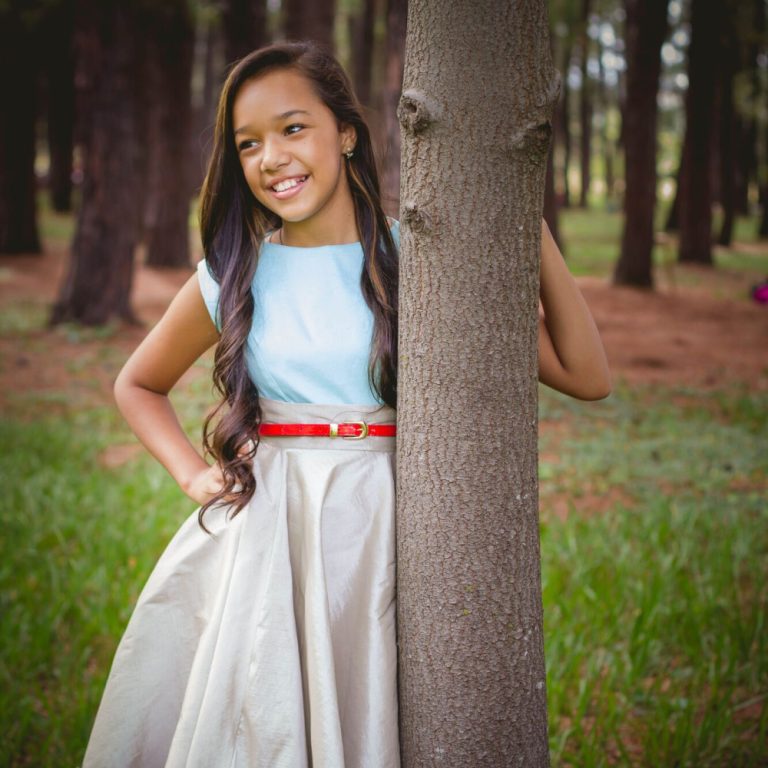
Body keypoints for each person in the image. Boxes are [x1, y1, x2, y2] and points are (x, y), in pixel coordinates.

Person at [83, 41, 610, 768]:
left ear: (347, 133)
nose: (272, 157)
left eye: (293, 128)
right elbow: (136, 385)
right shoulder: (235, 273)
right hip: (274, 527)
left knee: (365, 704)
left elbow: (586, 375)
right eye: (249, 143)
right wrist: (192, 476)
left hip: (387, 522)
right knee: (263, 711)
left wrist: (522, 221)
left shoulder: (413, 261)